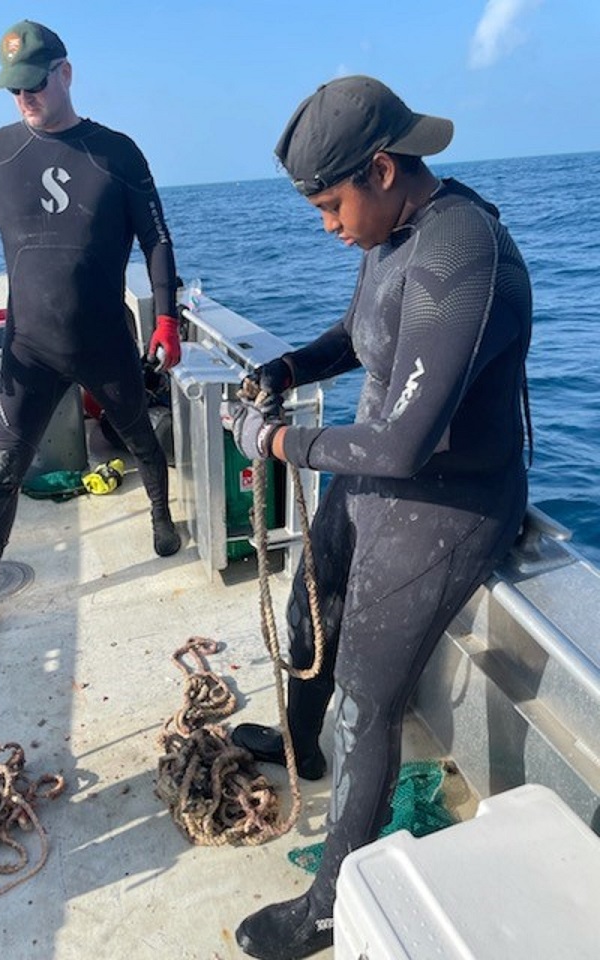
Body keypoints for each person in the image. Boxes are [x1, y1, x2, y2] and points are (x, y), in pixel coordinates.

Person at [226, 75, 532, 959]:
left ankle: (331, 905)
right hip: (378, 476)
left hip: (450, 499)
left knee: (367, 694)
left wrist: (277, 442)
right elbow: (359, 330)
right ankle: (300, 744)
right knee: (306, 604)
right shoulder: (391, 233)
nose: (328, 225)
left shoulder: (462, 252)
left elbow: (402, 445)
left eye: (331, 204)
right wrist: (286, 370)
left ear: (384, 169)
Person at [0, 20, 182, 649]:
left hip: (104, 340)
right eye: (14, 90)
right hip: (29, 348)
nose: (25, 99)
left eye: (35, 84)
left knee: (140, 440)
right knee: (3, 471)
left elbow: (156, 239)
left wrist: (166, 320)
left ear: (65, 73)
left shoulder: (117, 152)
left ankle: (160, 513)